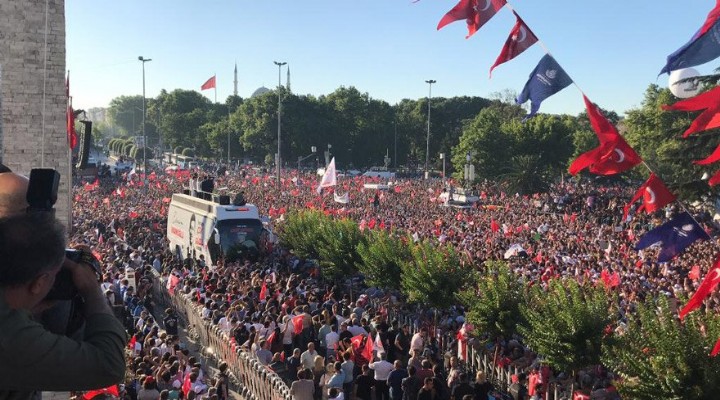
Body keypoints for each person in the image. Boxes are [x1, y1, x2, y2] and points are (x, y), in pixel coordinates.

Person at [0, 213, 126, 398]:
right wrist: (91, 289)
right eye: (54, 276)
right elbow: (109, 364)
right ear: (39, 283)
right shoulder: (10, 336)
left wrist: (28, 309)